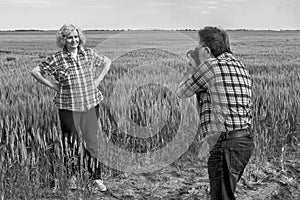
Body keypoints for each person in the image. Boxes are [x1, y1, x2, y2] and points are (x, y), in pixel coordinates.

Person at [31, 23, 111, 192]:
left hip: (90, 104)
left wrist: (98, 80)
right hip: (68, 107)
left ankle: (96, 177)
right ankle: (72, 177)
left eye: (76, 36)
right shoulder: (56, 58)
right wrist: (52, 85)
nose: (74, 40)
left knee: (91, 142)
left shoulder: (88, 54)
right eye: (69, 37)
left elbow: (107, 62)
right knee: (71, 142)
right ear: (63, 40)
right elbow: (35, 71)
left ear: (79, 38)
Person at [176, 26, 254, 200]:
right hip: (244, 143)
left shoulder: (210, 67)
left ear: (206, 50)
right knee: (226, 194)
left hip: (225, 146)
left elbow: (182, 92)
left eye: (198, 47)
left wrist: (191, 68)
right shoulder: (240, 66)